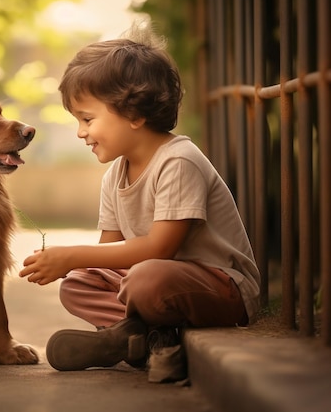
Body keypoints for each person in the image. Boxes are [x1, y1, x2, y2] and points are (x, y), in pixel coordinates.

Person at [18, 25, 261, 383]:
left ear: (134, 114)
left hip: (221, 288)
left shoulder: (179, 161)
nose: (81, 132)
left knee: (145, 279)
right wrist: (75, 264)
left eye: (87, 119)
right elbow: (110, 252)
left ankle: (134, 337)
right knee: (78, 283)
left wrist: (71, 253)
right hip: (154, 283)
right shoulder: (114, 175)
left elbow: (160, 247)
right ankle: (148, 339)